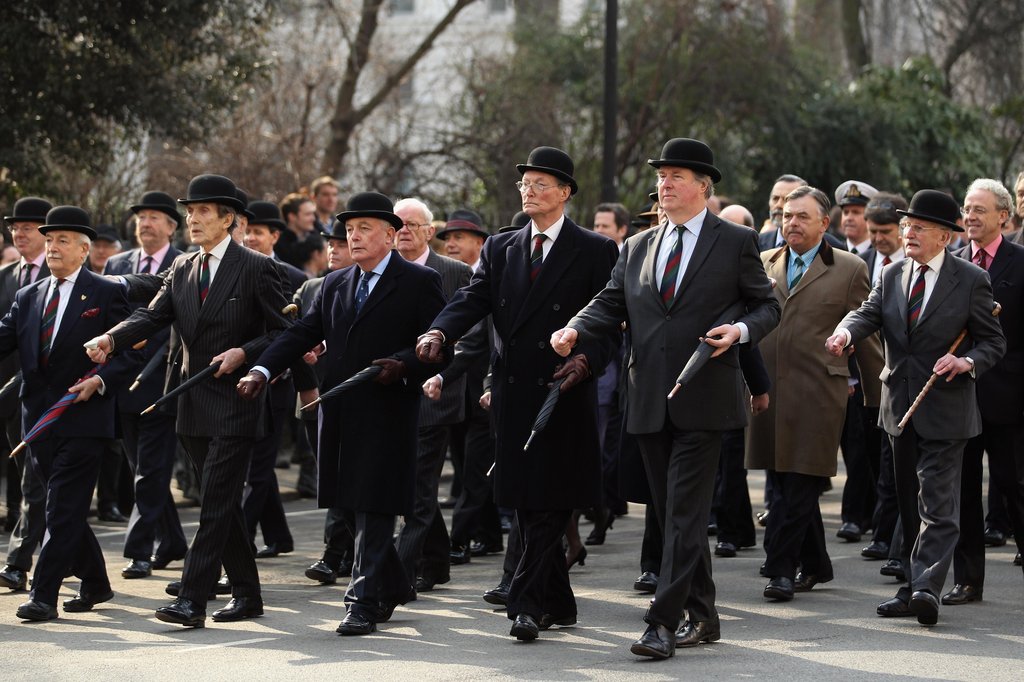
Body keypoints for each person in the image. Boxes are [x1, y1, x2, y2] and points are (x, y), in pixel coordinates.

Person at [549, 138, 781, 659]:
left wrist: (740, 331)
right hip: (649, 396)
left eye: (676, 175)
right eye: (661, 176)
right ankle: (704, 615)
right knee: (676, 512)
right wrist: (574, 330)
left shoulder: (736, 240)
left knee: (682, 514)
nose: (665, 184)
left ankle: (661, 621)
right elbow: (610, 302)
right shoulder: (637, 246)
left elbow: (768, 307)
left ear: (704, 186)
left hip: (706, 396)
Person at [417, 146, 620, 643]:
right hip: (512, 392)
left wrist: (587, 358)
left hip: (562, 391)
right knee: (528, 503)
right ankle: (559, 601)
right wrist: (441, 333)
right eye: (525, 184)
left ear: (565, 192)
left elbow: (612, 321)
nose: (529, 191)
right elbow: (472, 298)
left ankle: (525, 602)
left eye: (541, 184)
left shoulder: (594, 249)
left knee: (551, 501)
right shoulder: (502, 247)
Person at [87, 173, 292, 628]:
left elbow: (285, 332)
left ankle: (193, 599)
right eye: (190, 211)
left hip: (238, 401)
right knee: (223, 504)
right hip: (191, 400)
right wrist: (111, 339)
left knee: (215, 500)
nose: (192, 219)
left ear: (229, 219)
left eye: (202, 212)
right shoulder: (183, 267)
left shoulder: (256, 267)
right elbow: (153, 315)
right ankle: (247, 594)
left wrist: (246, 353)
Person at [238, 191, 447, 636]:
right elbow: (301, 333)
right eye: (349, 230)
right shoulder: (335, 283)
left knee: (374, 509)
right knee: (349, 507)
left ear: (391, 235)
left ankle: (362, 602)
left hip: (388, 412)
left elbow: (436, 347)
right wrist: (262, 367)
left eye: (365, 228)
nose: (353, 237)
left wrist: (404, 364)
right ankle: (392, 583)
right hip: (339, 411)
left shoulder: (418, 282)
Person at [826, 189, 1005, 626]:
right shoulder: (889, 275)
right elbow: (866, 314)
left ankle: (927, 587)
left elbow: (993, 342)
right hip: (898, 407)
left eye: (918, 227)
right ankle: (910, 585)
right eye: (906, 225)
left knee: (938, 505)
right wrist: (845, 334)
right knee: (906, 504)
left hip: (946, 408)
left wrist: (966, 361)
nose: (908, 232)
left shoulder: (970, 280)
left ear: (945, 237)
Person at [0, 206, 138, 621]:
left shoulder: (106, 293)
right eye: (49, 240)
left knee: (60, 507)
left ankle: (44, 594)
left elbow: (128, 352)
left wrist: (100, 381)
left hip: (84, 418)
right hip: (38, 422)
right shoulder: (29, 296)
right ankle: (95, 582)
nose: (53, 247)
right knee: (65, 507)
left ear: (84, 250)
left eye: (63, 240)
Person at [746, 185, 882, 601]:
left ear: (826, 223)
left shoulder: (849, 268)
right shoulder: (763, 262)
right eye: (787, 216)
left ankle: (781, 568)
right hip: (768, 391)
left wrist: (878, 394)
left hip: (820, 392)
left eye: (802, 216)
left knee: (802, 480)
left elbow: (867, 331)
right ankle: (817, 563)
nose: (792, 223)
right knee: (782, 475)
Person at [944, 179, 1024, 605]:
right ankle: (969, 580)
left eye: (980, 209)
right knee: (964, 490)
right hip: (960, 395)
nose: (970, 216)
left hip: (1009, 399)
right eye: (967, 209)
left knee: (1014, 486)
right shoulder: (953, 263)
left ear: (1003, 217)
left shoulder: (1020, 263)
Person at [104, 191, 187, 580]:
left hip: (164, 380)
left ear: (172, 226)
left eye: (155, 217)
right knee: (142, 469)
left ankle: (139, 551)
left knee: (151, 471)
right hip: (123, 382)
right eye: (141, 217)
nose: (145, 223)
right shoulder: (117, 264)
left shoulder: (184, 264)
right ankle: (171, 540)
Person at [391, 198, 472, 593]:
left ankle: (399, 576)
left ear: (428, 231)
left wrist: (443, 375)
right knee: (411, 482)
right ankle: (437, 561)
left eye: (412, 224)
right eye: (398, 224)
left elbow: (471, 335)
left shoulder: (454, 272)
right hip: (393, 393)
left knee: (417, 487)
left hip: (435, 393)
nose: (403, 230)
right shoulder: (383, 270)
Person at [240, 200, 317, 559]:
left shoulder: (295, 278)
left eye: (259, 232)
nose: (251, 238)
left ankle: (237, 549)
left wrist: (305, 386)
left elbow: (295, 336)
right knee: (257, 467)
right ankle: (279, 535)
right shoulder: (234, 272)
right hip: (237, 381)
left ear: (275, 236)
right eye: (248, 230)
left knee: (256, 469)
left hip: (276, 386)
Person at [0, 197, 52, 593]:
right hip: (6, 396)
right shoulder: (5, 278)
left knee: (36, 480)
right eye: (14, 228)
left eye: (28, 228)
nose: (19, 233)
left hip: (46, 396)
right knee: (24, 478)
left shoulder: (66, 281)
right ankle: (62, 555)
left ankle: (19, 562)